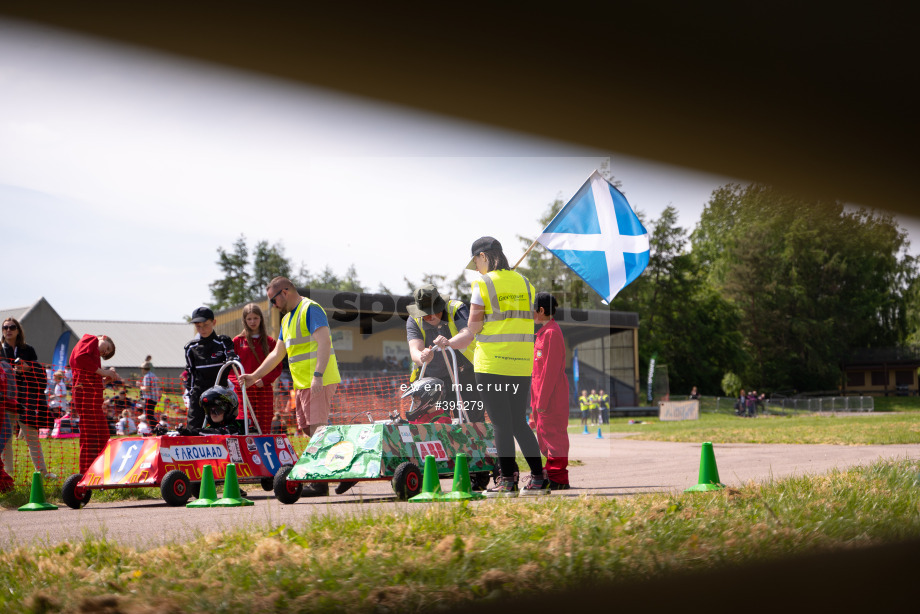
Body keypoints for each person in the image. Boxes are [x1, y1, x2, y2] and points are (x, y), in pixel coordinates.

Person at [239, 276, 356, 497]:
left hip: (318, 380)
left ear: (285, 292)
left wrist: (318, 375)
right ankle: (349, 469)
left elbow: (324, 342)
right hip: (302, 384)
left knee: (317, 430)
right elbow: (277, 354)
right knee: (308, 429)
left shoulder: (310, 309)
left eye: (273, 300)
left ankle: (321, 483)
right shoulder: (286, 319)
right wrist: (254, 376)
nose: (273, 305)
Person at [449, 236, 548, 496]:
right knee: (518, 422)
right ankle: (538, 478)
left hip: (492, 362)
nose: (477, 267)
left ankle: (507, 481)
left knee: (501, 423)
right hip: (521, 363)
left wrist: (448, 342)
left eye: (476, 262)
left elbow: (472, 329)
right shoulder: (527, 283)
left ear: (483, 257)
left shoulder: (482, 283)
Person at [406, 284, 483, 422]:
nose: (429, 317)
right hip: (433, 381)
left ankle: (476, 443)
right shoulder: (413, 319)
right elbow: (414, 350)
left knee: (472, 423)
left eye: (433, 311)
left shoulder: (456, 309)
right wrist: (422, 357)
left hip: (464, 375)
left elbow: (468, 334)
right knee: (435, 423)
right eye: (425, 314)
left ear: (441, 305)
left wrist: (449, 343)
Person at [530, 292, 571, 490]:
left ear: (542, 310)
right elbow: (537, 373)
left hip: (551, 397)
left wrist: (543, 401)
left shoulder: (552, 333)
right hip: (541, 397)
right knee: (544, 436)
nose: (531, 314)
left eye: (533, 310)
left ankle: (558, 478)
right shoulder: (543, 333)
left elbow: (550, 371)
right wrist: (535, 402)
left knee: (554, 436)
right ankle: (552, 472)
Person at [1, 317, 51, 478]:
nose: (8, 330)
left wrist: (28, 368)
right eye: (5, 327)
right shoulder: (0, 349)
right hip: (6, 398)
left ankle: (42, 473)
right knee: (6, 438)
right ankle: (7, 475)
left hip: (26, 398)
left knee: (32, 436)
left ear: (18, 330)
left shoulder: (28, 349)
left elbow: (40, 371)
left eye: (12, 327)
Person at [227, 303, 282, 434]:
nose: (252, 322)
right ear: (244, 321)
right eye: (249, 319)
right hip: (244, 392)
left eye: (255, 318)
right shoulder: (237, 341)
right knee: (246, 424)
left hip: (264, 389)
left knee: (264, 424)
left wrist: (265, 380)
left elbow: (277, 367)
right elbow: (231, 369)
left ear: (261, 319)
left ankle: (263, 452)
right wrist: (240, 382)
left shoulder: (270, 342)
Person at [69, 334, 119, 473]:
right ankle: (88, 473)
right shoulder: (90, 339)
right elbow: (80, 358)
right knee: (92, 435)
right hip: (85, 396)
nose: (105, 352)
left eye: (106, 353)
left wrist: (105, 379)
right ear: (104, 337)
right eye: (107, 348)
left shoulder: (93, 356)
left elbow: (88, 373)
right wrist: (104, 372)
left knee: (101, 435)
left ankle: (100, 471)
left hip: (91, 397)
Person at [183, 306, 238, 430]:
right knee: (193, 428)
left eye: (205, 325)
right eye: (198, 326)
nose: (202, 329)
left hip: (220, 392)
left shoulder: (223, 342)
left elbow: (232, 356)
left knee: (222, 426)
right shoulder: (190, 348)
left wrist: (232, 358)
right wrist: (190, 393)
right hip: (198, 393)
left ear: (214, 322)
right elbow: (191, 373)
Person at [139, 359, 161, 424]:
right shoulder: (153, 375)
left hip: (149, 398)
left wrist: (140, 386)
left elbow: (147, 388)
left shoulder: (147, 376)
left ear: (143, 369)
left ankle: (157, 428)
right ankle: (155, 429)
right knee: (150, 415)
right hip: (154, 398)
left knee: (149, 416)